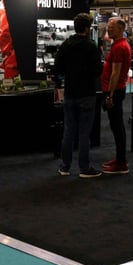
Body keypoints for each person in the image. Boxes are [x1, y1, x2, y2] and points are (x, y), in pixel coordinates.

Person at [52, 12, 103, 178]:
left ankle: (64, 166)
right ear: (87, 29)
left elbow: (57, 69)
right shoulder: (91, 46)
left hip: (70, 92)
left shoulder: (66, 44)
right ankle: (84, 167)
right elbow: (98, 70)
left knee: (68, 132)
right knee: (84, 133)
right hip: (86, 93)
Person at [101, 16, 132, 174]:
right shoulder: (118, 44)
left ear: (121, 29)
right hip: (115, 89)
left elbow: (116, 73)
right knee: (115, 125)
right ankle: (120, 159)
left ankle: (121, 163)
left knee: (117, 126)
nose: (108, 29)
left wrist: (110, 95)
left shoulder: (120, 47)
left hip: (115, 90)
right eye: (108, 26)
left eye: (112, 27)